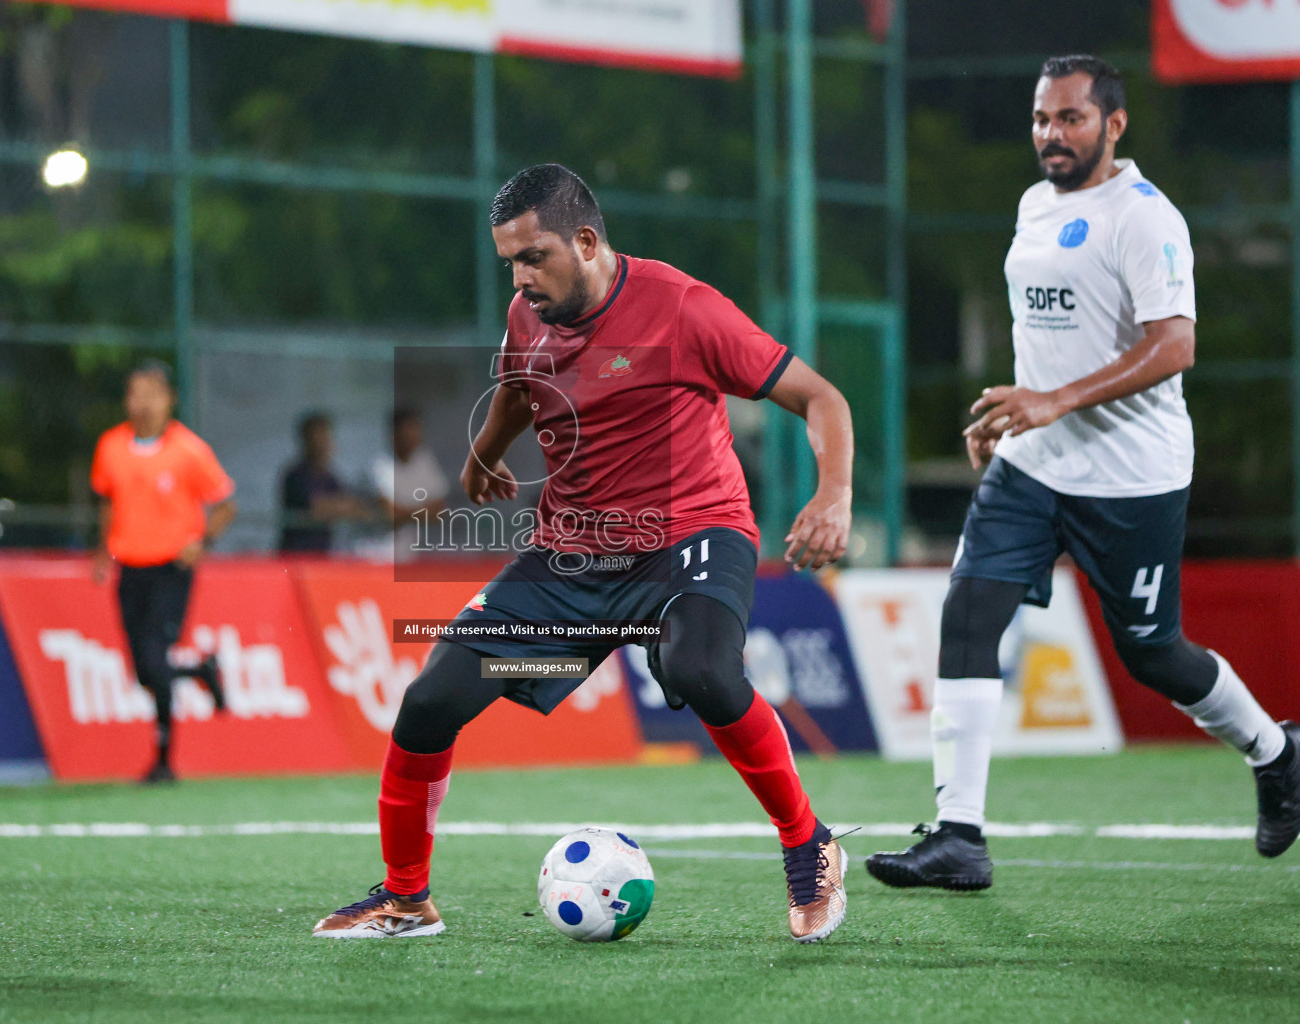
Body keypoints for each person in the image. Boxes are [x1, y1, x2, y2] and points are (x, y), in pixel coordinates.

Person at [314, 164, 856, 943]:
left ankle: (809, 845)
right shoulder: (527, 312)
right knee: (429, 702)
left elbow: (820, 398)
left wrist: (832, 496)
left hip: (692, 539)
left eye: (534, 257)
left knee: (704, 669)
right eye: (509, 261)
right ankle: (406, 899)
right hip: (572, 561)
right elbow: (515, 383)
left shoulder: (684, 308)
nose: (521, 278)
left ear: (588, 240)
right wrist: (483, 453)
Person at [866, 56, 1300, 892]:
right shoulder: (1035, 206)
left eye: (1069, 119)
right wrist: (1012, 418)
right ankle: (960, 835)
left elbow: (1176, 345)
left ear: (1115, 124)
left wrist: (1055, 401)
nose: (1050, 135)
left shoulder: (1146, 218)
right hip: (1033, 466)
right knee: (966, 614)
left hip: (1130, 475)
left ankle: (1277, 754)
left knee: (1154, 654)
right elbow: (1049, 336)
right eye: (1040, 118)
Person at [91, 360, 238, 784]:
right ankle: (201, 671)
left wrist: (202, 541)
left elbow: (226, 503)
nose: (144, 402)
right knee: (141, 670)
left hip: (172, 569)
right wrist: (102, 554)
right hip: (130, 568)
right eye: (135, 393)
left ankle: (163, 759)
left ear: (169, 398)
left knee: (155, 658)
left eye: (152, 393)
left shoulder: (189, 450)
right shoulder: (112, 446)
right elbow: (107, 501)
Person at [278, 412, 368, 553]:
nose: (321, 444)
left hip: (322, 555)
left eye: (324, 437)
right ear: (305, 440)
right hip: (295, 554)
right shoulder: (295, 475)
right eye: (315, 438)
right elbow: (319, 508)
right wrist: (342, 507)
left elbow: (357, 508)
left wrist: (341, 506)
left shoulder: (331, 477)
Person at [372, 408, 449, 559]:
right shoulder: (379, 465)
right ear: (394, 434)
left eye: (416, 429)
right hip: (382, 554)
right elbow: (391, 513)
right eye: (409, 429)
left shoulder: (426, 462)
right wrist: (422, 511)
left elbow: (439, 511)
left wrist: (405, 512)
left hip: (416, 555)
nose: (414, 436)